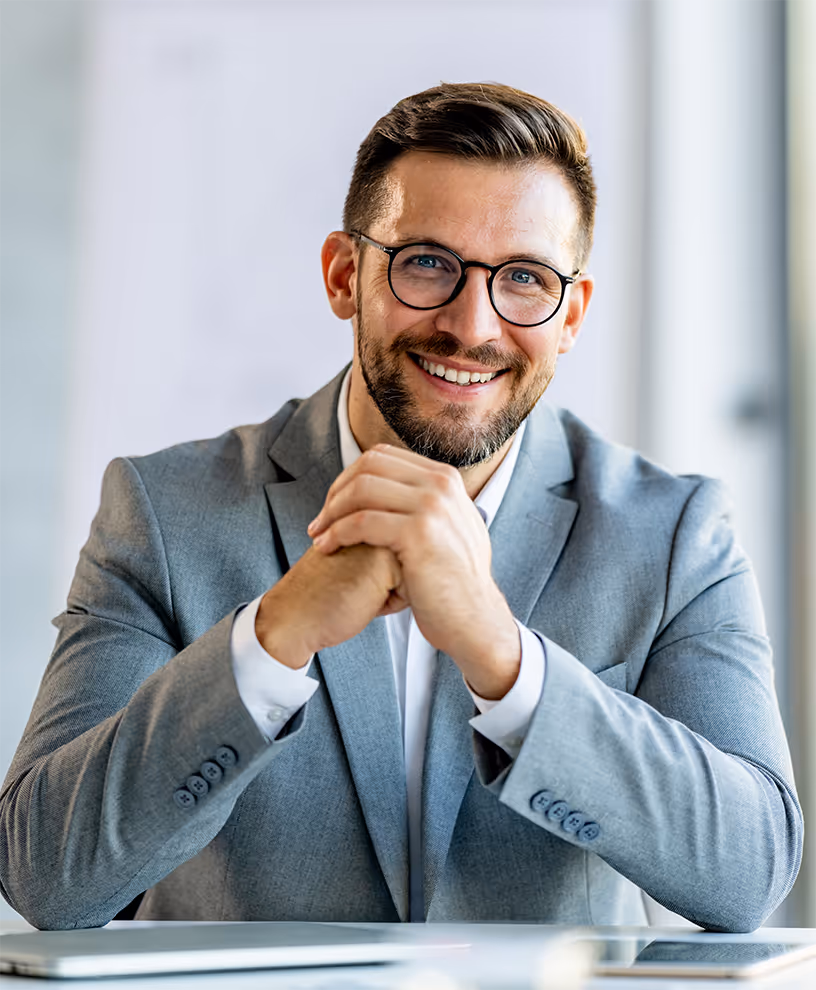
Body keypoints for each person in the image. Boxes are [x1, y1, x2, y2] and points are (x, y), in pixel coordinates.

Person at [0, 83, 802, 932]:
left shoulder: (674, 535)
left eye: (524, 279)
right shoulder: (164, 513)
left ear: (570, 317)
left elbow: (749, 873)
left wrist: (506, 661)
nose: (472, 325)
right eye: (427, 263)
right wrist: (270, 641)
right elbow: (48, 878)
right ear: (346, 276)